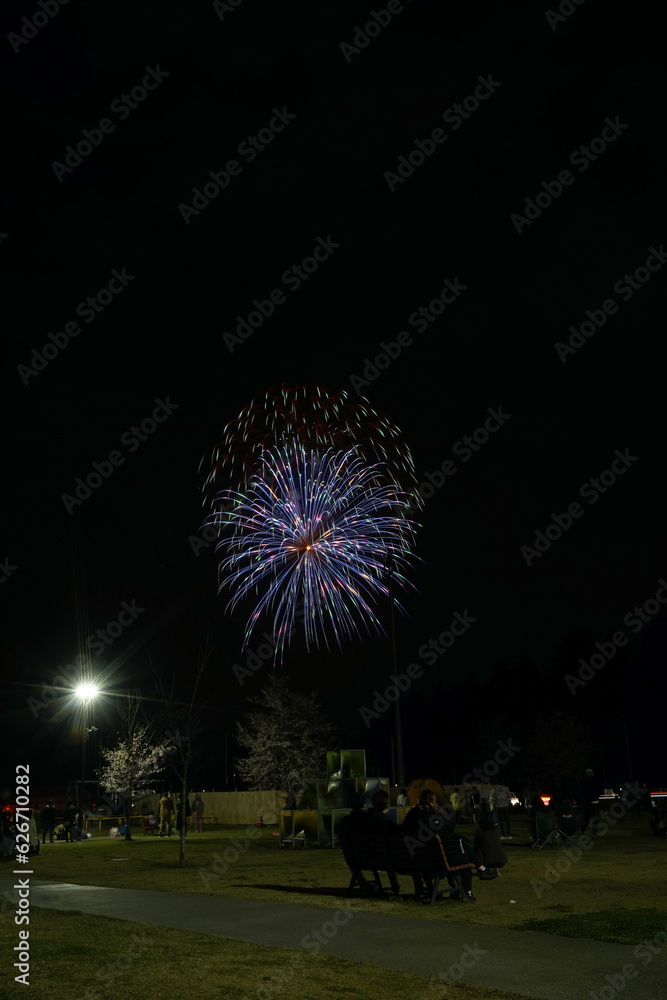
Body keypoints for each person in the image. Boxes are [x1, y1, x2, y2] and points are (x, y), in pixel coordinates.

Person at [582, 769, 601, 835]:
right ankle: (594, 831)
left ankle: (582, 830)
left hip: (589, 802)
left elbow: (584, 792)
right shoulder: (595, 781)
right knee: (595, 818)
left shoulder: (586, 782)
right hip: (595, 801)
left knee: (586, 818)